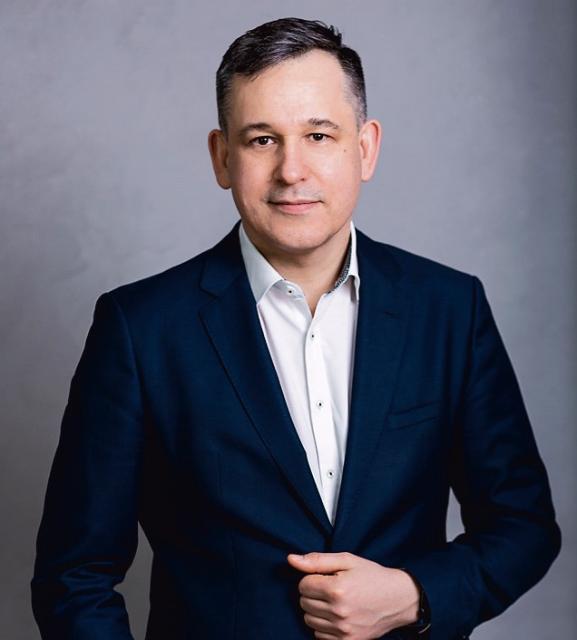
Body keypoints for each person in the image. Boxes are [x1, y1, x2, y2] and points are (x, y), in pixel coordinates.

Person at [31, 17, 561, 640]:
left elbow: (523, 527)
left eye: (318, 135)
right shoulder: (140, 329)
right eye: (262, 140)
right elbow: (74, 576)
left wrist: (415, 594)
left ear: (365, 148)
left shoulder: (449, 308)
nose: (292, 170)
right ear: (222, 157)